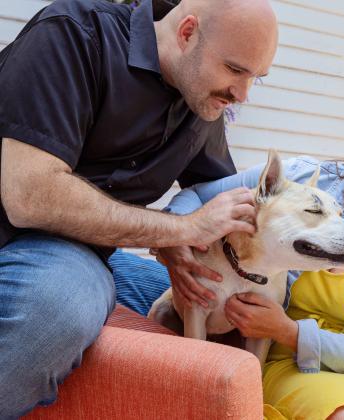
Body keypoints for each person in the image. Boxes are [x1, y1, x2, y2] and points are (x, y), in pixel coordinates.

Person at [0, 0, 278, 417]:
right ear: (186, 33)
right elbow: (29, 197)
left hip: (93, 254)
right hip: (19, 235)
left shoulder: (202, 100)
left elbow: (212, 195)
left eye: (256, 78)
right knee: (61, 310)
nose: (243, 94)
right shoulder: (75, 33)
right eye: (236, 70)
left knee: (219, 301)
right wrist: (178, 231)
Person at [112, 112, 344, 419]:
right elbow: (195, 195)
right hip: (293, 359)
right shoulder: (301, 178)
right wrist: (178, 239)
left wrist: (288, 330)